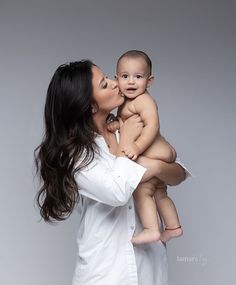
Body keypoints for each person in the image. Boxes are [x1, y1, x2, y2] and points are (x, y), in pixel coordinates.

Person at [34, 60, 189, 285]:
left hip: (149, 265)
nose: (116, 83)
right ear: (90, 105)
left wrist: (155, 167)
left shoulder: (126, 126)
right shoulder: (75, 154)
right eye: (104, 84)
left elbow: (179, 174)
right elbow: (116, 192)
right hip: (106, 271)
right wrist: (128, 142)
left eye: (108, 77)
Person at [112, 50, 183, 244]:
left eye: (138, 77)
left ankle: (152, 229)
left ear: (149, 81)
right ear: (116, 78)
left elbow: (152, 126)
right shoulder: (128, 102)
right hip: (158, 156)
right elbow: (130, 122)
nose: (131, 82)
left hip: (156, 151)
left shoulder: (144, 100)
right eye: (125, 76)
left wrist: (137, 145)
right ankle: (173, 227)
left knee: (142, 190)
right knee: (159, 191)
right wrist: (116, 124)